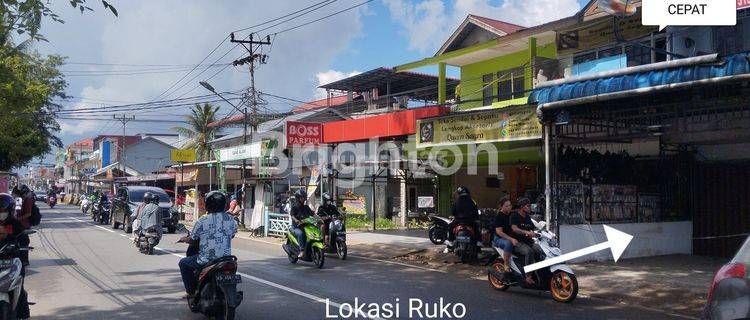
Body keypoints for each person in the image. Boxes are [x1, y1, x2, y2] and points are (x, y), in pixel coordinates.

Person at [178, 191, 237, 299]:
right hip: (226, 259)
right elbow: (232, 235)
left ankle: (191, 292)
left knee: (183, 263)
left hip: (207, 259)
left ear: (208, 204)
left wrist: (185, 239)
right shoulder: (231, 220)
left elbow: (193, 239)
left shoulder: (202, 220)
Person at [0, 193, 30, 319]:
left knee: (20, 287)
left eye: (3, 210)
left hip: (12, 261)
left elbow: (24, 239)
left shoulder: (15, 224)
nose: (1, 213)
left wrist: (20, 247)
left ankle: (24, 314)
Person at [509, 197, 544, 284]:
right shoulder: (514, 216)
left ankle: (540, 272)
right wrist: (526, 232)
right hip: (517, 242)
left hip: (528, 241)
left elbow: (533, 228)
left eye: (530, 206)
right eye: (528, 206)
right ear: (522, 207)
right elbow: (514, 229)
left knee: (541, 250)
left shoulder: (527, 217)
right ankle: (528, 276)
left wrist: (540, 231)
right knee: (529, 252)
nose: (530, 208)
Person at [492, 197, 516, 272]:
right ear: (501, 207)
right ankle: (506, 263)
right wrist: (511, 239)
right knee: (508, 243)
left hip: (510, 236)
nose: (509, 207)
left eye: (510, 205)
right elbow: (499, 232)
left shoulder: (512, 214)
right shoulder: (498, 217)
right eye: (506, 206)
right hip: (499, 239)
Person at [11, 185, 32, 266]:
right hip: (16, 224)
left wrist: (18, 219)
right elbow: (15, 211)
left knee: (23, 242)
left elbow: (28, 213)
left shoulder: (26, 200)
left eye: (14, 193)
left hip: (23, 225)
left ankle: (24, 261)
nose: (13, 194)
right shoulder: (18, 200)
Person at [289, 189, 313, 258]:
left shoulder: (306, 207)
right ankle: (302, 250)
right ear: (298, 198)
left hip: (306, 226)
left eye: (304, 197)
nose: (304, 199)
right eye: (302, 197)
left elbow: (312, 214)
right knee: (300, 233)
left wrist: (318, 218)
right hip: (296, 227)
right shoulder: (294, 207)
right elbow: (292, 215)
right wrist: (296, 220)